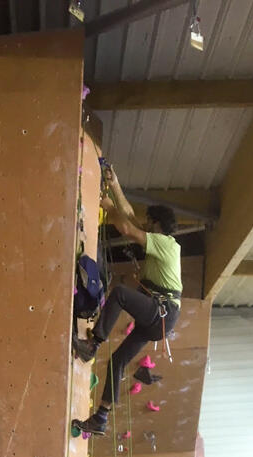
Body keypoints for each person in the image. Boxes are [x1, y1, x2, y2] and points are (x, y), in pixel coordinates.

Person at [71, 168, 182, 437]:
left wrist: (108, 206)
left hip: (162, 312)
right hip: (160, 318)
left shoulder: (167, 244)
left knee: (120, 293)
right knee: (118, 360)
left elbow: (126, 227)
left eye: (150, 223)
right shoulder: (162, 242)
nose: (146, 226)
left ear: (157, 225)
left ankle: (93, 344)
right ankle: (101, 418)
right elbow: (130, 216)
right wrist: (115, 185)